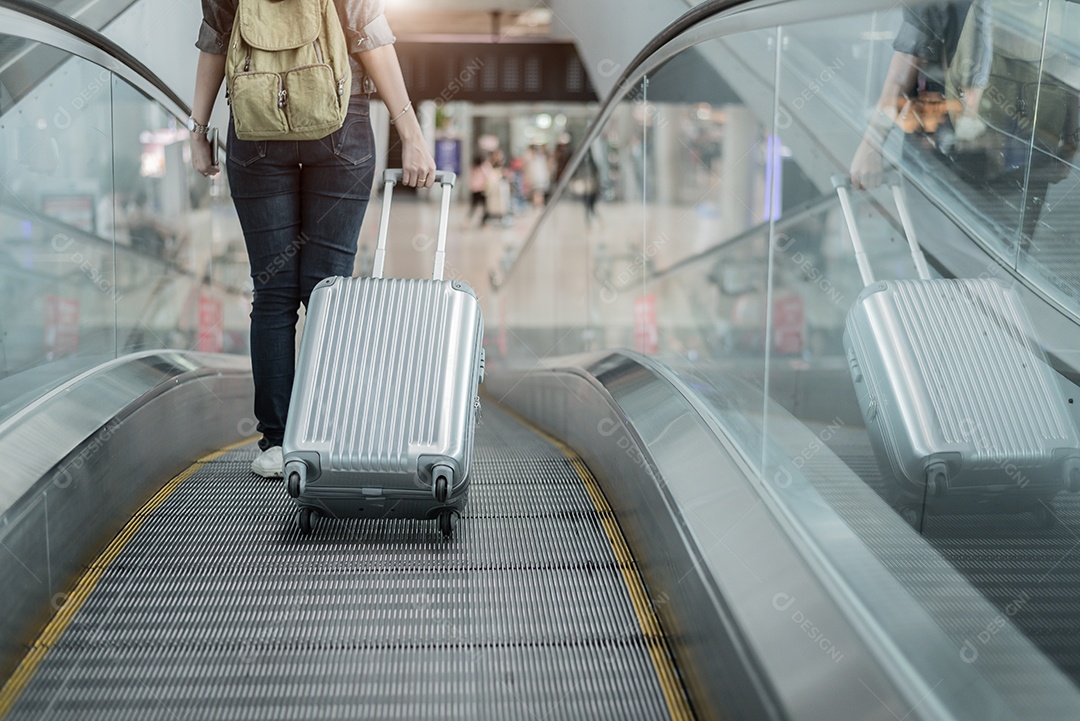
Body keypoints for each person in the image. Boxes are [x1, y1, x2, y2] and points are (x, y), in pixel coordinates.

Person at [190, 0, 436, 478]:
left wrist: (198, 130)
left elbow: (216, 38)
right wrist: (411, 133)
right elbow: (371, 37)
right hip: (339, 119)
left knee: (274, 292)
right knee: (330, 293)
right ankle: (326, 433)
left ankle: (277, 443)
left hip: (256, 123)